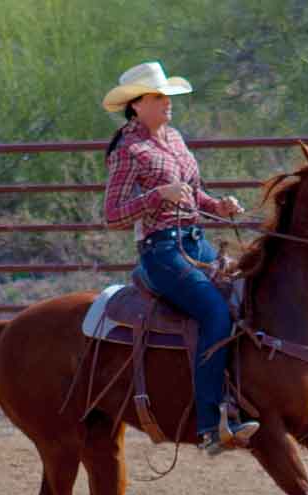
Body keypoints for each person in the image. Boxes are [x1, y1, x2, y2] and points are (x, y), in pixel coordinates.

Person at [102, 61, 259, 453]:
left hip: (195, 242)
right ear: (136, 105)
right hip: (161, 251)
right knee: (214, 312)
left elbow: (193, 193)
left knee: (245, 296)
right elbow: (113, 215)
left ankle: (244, 397)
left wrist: (218, 206)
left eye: (167, 96)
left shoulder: (174, 138)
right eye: (158, 97)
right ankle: (209, 423)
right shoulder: (128, 150)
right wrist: (158, 195)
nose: (167, 103)